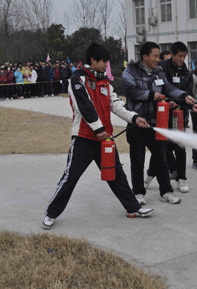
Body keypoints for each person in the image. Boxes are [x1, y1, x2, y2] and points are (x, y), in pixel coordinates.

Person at [42, 43, 153, 230]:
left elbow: (117, 105)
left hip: (105, 140)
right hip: (84, 138)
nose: (105, 66)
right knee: (71, 177)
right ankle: (51, 213)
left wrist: (134, 118)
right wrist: (98, 129)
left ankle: (133, 208)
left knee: (116, 175)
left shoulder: (105, 83)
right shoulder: (77, 79)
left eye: (106, 62)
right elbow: (84, 106)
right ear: (93, 60)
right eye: (103, 62)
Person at [122, 41, 197, 206]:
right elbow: (130, 91)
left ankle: (166, 191)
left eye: (159, 56)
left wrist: (184, 96)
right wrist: (151, 95)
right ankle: (138, 193)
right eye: (155, 56)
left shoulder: (159, 72)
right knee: (138, 159)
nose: (158, 59)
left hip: (155, 123)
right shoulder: (131, 71)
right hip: (137, 122)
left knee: (161, 158)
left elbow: (169, 88)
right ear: (145, 56)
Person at [147, 41, 193, 193]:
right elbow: (161, 88)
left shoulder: (187, 73)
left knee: (180, 148)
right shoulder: (162, 68)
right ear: (172, 54)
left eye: (184, 57)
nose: (182, 59)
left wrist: (183, 104)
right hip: (162, 114)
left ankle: (182, 179)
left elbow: (187, 93)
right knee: (162, 149)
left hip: (179, 116)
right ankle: (149, 177)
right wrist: (167, 101)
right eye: (179, 56)